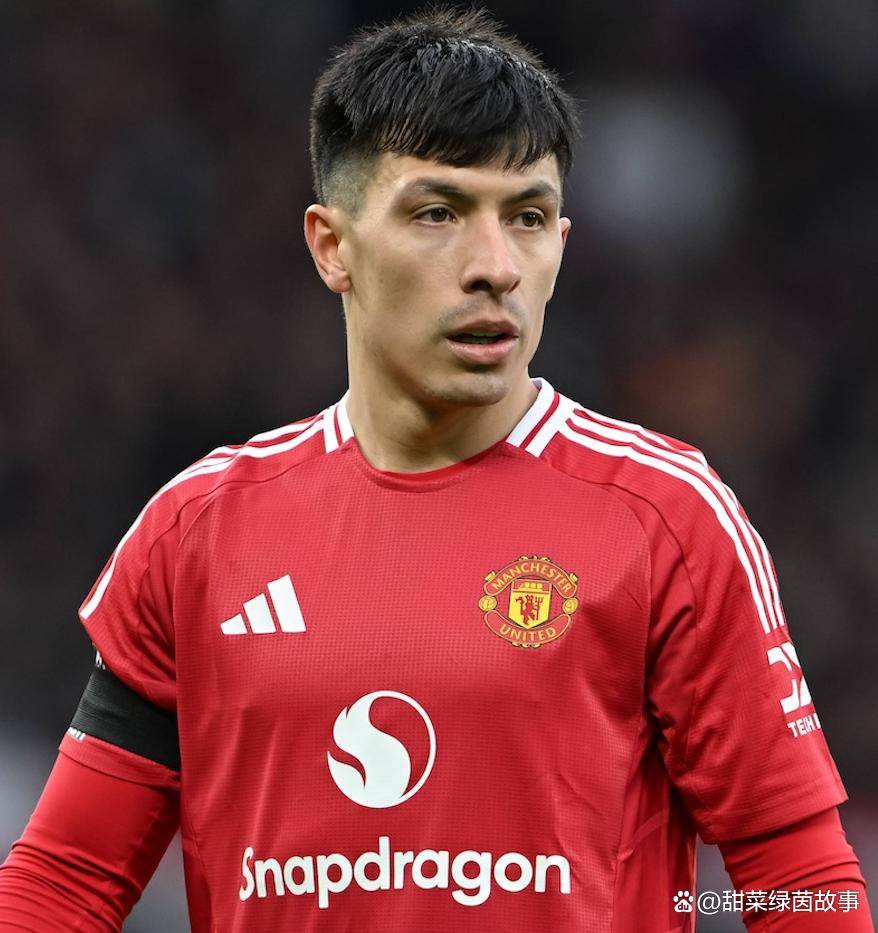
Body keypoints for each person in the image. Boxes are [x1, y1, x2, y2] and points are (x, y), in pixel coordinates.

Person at [0, 7, 872, 932]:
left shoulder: (667, 519)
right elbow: (65, 884)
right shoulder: (196, 534)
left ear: (561, 244)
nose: (494, 266)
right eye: (438, 213)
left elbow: (799, 878)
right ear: (333, 246)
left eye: (526, 217)